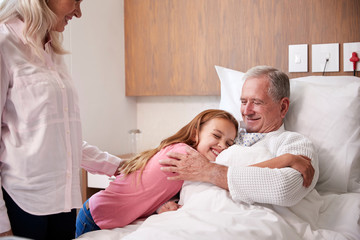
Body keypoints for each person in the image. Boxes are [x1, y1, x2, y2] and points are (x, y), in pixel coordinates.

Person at [0, 0, 124, 239]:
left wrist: (120, 166)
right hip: (22, 204)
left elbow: (60, 139)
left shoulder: (51, 49)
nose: (78, 12)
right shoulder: (4, 44)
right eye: (75, 1)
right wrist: (2, 226)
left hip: (64, 202)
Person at [160, 65, 318, 207]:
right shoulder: (225, 135)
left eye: (256, 102)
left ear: (283, 107)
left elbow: (283, 189)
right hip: (194, 213)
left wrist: (209, 171)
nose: (246, 111)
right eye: (243, 102)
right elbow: (183, 171)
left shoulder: (295, 145)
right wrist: (166, 204)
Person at [75, 109, 239, 238]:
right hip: (95, 216)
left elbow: (156, 187)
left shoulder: (185, 159)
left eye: (229, 143)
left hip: (106, 215)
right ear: (195, 134)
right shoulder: (183, 154)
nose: (222, 145)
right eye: (216, 135)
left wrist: (161, 206)